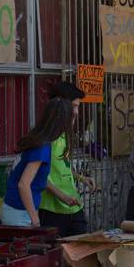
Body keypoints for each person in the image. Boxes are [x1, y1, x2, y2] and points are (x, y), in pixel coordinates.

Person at [1, 97, 73, 267]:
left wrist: (62, 195)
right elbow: (24, 184)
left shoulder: (36, 140)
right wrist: (34, 219)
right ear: (61, 121)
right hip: (19, 212)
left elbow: (30, 180)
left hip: (13, 209)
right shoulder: (43, 146)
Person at [39, 82, 95, 237]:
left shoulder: (65, 135)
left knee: (81, 255)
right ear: (59, 105)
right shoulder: (45, 139)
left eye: (78, 107)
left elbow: (63, 165)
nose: (76, 112)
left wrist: (81, 177)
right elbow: (38, 175)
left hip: (73, 206)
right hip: (52, 210)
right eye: (73, 106)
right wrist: (61, 196)